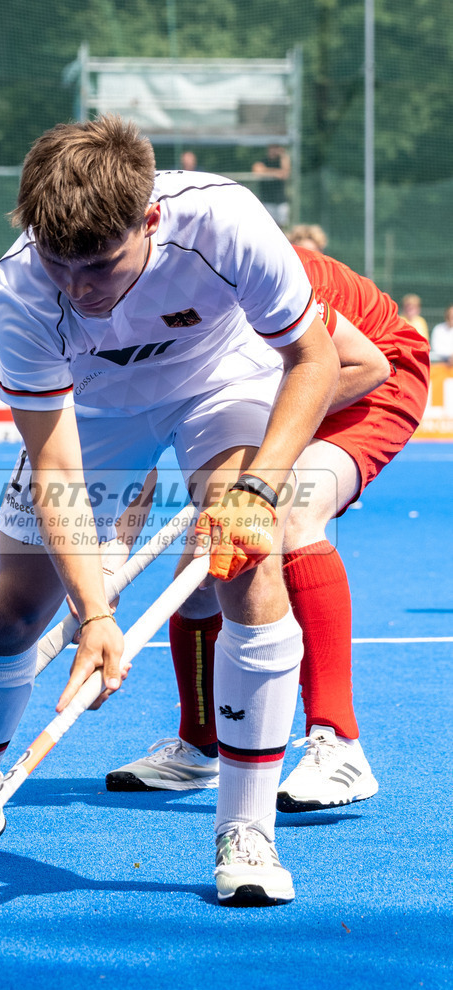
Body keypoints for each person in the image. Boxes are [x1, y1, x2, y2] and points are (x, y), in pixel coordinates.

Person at [0, 115, 341, 907]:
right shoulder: (20, 284)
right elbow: (58, 466)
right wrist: (95, 609)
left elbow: (312, 358)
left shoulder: (224, 220)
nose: (79, 288)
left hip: (224, 384)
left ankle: (245, 829)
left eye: (100, 265)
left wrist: (257, 488)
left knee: (248, 568)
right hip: (96, 412)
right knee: (11, 613)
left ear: (147, 220)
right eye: (59, 264)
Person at [106, 246, 429, 812]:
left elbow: (365, 366)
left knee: (289, 515)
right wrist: (100, 590)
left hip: (371, 369)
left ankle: (341, 744)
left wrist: (268, 464)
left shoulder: (235, 273)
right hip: (285, 379)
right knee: (207, 558)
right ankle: (200, 746)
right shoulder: (116, 310)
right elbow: (135, 470)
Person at [251, 144, 290, 227]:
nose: (274, 151)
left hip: (280, 201)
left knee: (281, 227)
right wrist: (275, 173)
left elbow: (284, 173)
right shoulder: (263, 161)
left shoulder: (281, 161)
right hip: (267, 201)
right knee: (268, 226)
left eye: (276, 148)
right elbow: (257, 170)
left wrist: (283, 155)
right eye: (272, 148)